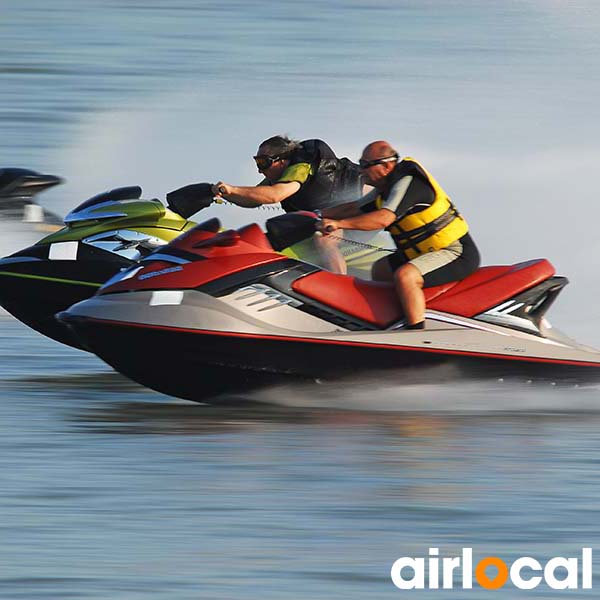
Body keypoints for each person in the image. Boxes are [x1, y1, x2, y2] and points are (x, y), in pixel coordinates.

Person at [318, 140, 480, 329]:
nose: (361, 171)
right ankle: (384, 323)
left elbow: (383, 219)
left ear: (386, 166)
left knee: (406, 276)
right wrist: (319, 215)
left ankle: (416, 333)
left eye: (365, 165)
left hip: (455, 252)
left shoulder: (408, 183)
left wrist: (338, 224)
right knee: (380, 269)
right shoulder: (385, 189)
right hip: (423, 252)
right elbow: (354, 208)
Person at [211, 135, 361, 212]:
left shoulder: (299, 169)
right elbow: (254, 199)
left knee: (324, 242)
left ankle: (337, 273)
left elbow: (274, 195)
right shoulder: (278, 176)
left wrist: (233, 189)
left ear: (282, 160)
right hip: (334, 214)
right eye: (258, 164)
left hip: (356, 211)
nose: (259, 170)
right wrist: (225, 194)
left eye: (263, 163)